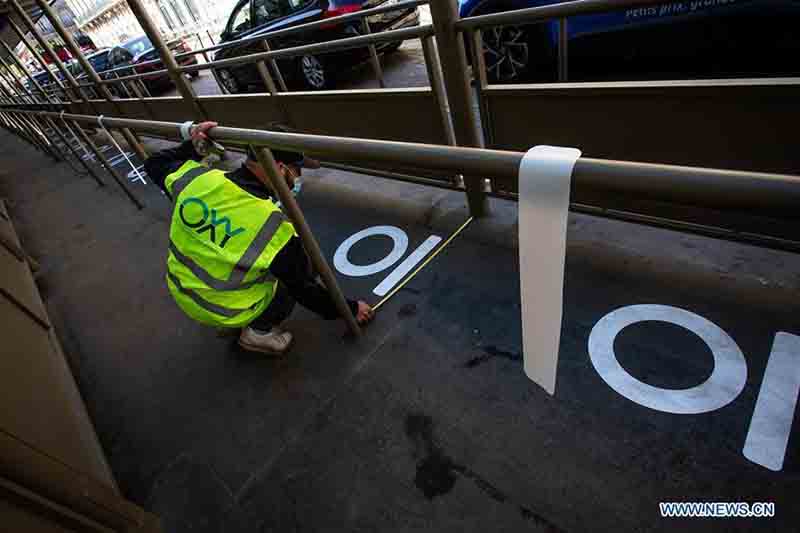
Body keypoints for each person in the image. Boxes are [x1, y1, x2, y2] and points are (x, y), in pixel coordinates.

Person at [144, 121, 375, 355]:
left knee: (284, 262)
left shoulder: (197, 180)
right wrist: (350, 309)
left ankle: (234, 319)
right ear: (280, 168)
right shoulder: (272, 226)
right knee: (300, 269)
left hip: (182, 290)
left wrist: (193, 145)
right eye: (297, 171)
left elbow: (154, 163)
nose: (298, 178)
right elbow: (305, 291)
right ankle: (258, 332)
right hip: (224, 308)